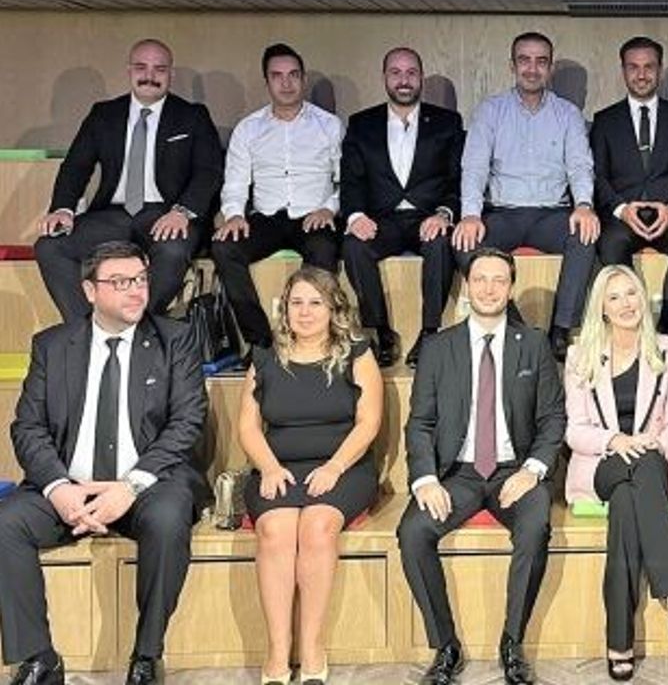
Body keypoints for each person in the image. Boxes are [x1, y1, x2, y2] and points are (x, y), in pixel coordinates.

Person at [1, 241, 208, 685]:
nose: (136, 290)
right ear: (90, 291)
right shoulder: (52, 345)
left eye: (141, 279)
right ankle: (39, 658)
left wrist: (130, 487)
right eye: (120, 282)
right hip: (70, 486)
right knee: (6, 522)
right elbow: (27, 428)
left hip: (148, 484)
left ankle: (146, 657)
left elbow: (188, 421)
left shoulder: (175, 339)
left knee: (168, 519)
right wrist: (58, 488)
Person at [396, 247, 566, 685]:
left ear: (510, 288)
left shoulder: (533, 344)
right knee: (412, 532)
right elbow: (420, 422)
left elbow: (552, 418)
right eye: (480, 280)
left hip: (515, 469)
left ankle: (512, 642)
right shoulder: (439, 347)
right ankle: (445, 646)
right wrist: (425, 479)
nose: (489, 289)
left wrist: (532, 470)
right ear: (467, 288)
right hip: (458, 473)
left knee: (535, 526)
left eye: (499, 280)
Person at [237, 266, 382, 685]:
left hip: (344, 466)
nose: (305, 312)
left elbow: (368, 422)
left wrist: (335, 466)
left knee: (317, 526)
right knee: (276, 530)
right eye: (296, 303)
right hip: (278, 466)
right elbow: (248, 426)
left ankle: (313, 650)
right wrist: (268, 466)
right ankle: (277, 653)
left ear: (334, 308)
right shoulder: (264, 357)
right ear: (284, 309)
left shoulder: (357, 353)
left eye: (316, 303)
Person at [563, 265, 668, 681]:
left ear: (644, 298)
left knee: (627, 504)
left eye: (632, 293)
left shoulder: (667, 351)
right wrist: (616, 440)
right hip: (601, 465)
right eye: (614, 297)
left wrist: (655, 445)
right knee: (635, 470)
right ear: (601, 308)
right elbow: (574, 430)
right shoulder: (580, 355)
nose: (626, 304)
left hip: (649, 469)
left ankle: (618, 641)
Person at [36, 38, 223, 322]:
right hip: (112, 215)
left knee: (173, 250)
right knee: (50, 246)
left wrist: (182, 212)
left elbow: (208, 171)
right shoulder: (103, 114)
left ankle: (139, 331)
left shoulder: (192, 116)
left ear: (170, 73)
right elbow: (76, 166)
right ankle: (88, 331)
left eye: (160, 69)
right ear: (129, 71)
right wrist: (62, 209)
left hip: (167, 214)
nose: (150, 76)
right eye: (141, 67)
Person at [452, 31, 598, 361]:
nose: (532, 69)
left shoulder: (568, 113)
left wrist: (584, 205)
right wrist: (471, 214)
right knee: (463, 242)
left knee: (586, 235)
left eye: (541, 61)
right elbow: (474, 166)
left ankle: (560, 330)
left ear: (550, 68)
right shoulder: (490, 111)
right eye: (524, 60)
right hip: (501, 213)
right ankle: (517, 326)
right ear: (512, 66)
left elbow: (579, 165)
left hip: (552, 214)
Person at [212, 43, 343, 349]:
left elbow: (346, 181)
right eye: (277, 76)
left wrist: (329, 209)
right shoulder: (248, 129)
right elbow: (235, 183)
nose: (286, 83)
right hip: (266, 217)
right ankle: (260, 342)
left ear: (303, 79)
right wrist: (234, 214)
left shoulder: (329, 126)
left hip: (314, 216)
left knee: (324, 249)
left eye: (293, 75)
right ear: (267, 82)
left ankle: (311, 341)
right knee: (224, 247)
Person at [341, 46, 464, 367]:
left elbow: (457, 179)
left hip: (429, 217)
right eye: (396, 73)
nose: (404, 80)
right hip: (382, 220)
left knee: (441, 244)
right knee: (353, 246)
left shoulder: (447, 122)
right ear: (384, 77)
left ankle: (430, 332)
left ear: (421, 77)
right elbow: (351, 180)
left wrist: (444, 213)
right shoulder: (361, 124)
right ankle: (380, 332)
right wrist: (356, 216)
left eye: (411, 73)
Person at [590, 36, 668, 336]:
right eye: (633, 67)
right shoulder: (604, 121)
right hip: (623, 217)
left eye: (649, 67)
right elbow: (597, 176)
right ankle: (631, 324)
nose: (641, 75)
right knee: (610, 243)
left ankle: (666, 327)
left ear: (660, 71)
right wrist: (621, 210)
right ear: (623, 71)